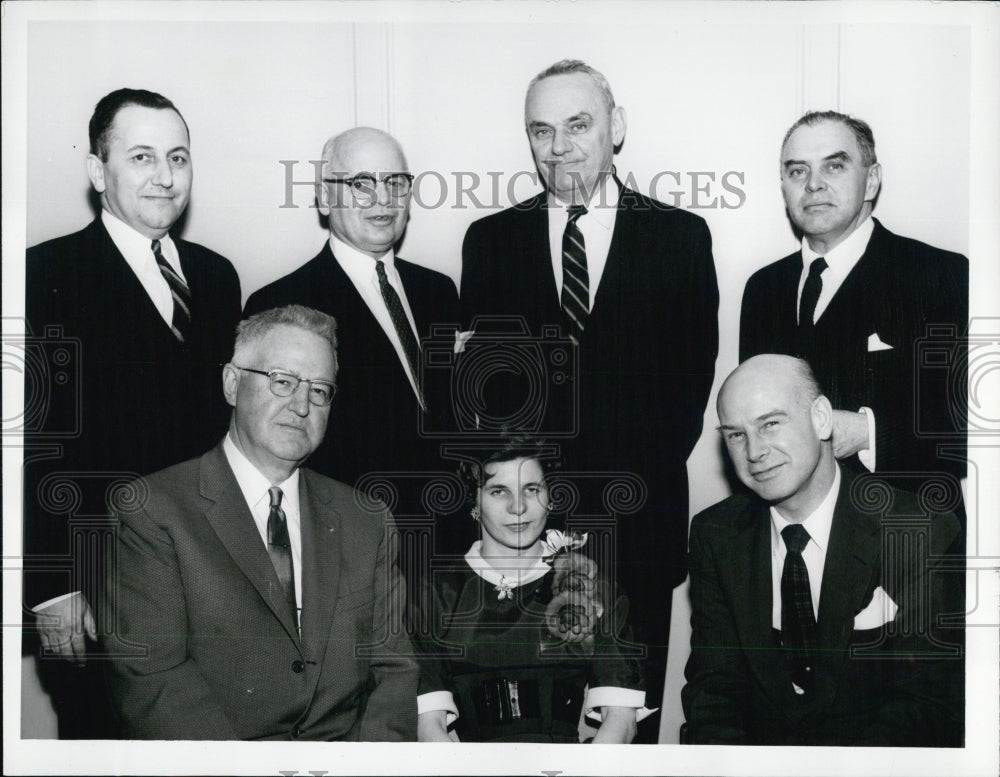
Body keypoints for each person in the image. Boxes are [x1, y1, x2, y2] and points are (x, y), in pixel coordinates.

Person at [460, 59, 718, 734]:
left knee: (625, 726)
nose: (559, 145)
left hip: (638, 529)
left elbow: (685, 398)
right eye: (540, 130)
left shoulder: (681, 239)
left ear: (616, 127)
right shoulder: (489, 242)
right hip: (519, 539)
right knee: (527, 729)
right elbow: (487, 404)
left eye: (578, 124)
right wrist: (540, 515)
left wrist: (594, 507)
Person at [23, 88, 241, 737]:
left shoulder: (217, 275)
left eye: (178, 156)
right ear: (98, 171)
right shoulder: (42, 273)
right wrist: (51, 583)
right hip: (97, 591)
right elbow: (32, 443)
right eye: (142, 156)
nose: (165, 175)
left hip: (211, 588)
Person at [101, 305, 418, 740]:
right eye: (282, 381)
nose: (302, 405)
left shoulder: (366, 519)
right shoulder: (153, 512)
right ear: (232, 383)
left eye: (320, 390)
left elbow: (393, 672)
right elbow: (153, 683)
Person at [682, 355, 964, 746]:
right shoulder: (716, 534)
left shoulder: (916, 528)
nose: (754, 451)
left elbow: (931, 704)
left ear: (821, 418)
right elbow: (714, 691)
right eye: (736, 434)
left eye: (770, 424)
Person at [740, 111, 968, 516]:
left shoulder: (942, 275)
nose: (813, 184)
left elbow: (974, 427)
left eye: (835, 165)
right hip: (790, 540)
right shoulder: (763, 288)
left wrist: (865, 433)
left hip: (905, 538)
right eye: (797, 171)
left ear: (872, 179)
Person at [243, 127, 460, 512]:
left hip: (454, 532)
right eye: (362, 183)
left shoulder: (439, 291)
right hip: (352, 537)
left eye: (396, 182)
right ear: (325, 197)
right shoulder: (281, 304)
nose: (383, 198)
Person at [412, 435, 647, 743]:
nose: (518, 507)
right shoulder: (437, 594)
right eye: (499, 491)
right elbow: (429, 729)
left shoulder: (592, 586)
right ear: (474, 500)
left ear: (550, 496)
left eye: (532, 489)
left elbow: (622, 721)